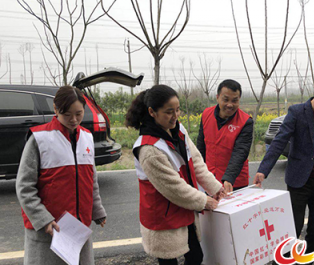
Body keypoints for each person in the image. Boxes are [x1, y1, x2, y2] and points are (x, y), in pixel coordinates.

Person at [253, 77, 314, 257]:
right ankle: (286, 259)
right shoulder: (297, 112)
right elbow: (279, 141)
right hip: (299, 181)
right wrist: (263, 170)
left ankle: (309, 258)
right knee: (293, 227)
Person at [126, 85, 225, 265]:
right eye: (169, 112)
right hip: (163, 216)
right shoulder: (148, 150)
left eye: (177, 110)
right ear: (152, 112)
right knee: (168, 261)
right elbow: (173, 187)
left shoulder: (178, 130)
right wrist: (204, 200)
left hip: (184, 206)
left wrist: (215, 187)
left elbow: (196, 162)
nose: (175, 116)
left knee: (196, 256)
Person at [16, 86, 107, 265]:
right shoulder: (40, 138)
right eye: (67, 115)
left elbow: (91, 181)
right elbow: (24, 187)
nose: (73, 120)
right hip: (49, 230)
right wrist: (43, 220)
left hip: (78, 228)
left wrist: (97, 211)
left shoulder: (87, 137)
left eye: (78, 114)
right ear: (56, 109)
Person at [197, 79, 253, 193]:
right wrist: (198, 172)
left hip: (235, 181)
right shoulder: (206, 114)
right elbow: (201, 147)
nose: (230, 105)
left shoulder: (245, 121)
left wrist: (229, 178)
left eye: (234, 100)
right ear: (217, 97)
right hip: (210, 179)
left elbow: (240, 152)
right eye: (226, 99)